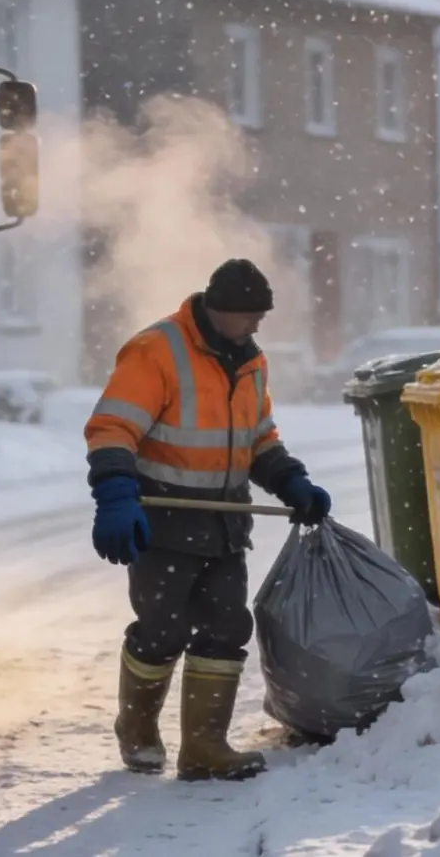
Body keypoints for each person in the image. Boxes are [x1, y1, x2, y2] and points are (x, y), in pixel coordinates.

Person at [84, 258, 331, 782]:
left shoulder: (250, 360)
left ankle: (204, 747)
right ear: (220, 311)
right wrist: (115, 496)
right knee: (162, 630)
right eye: (250, 317)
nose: (257, 326)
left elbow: (258, 436)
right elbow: (112, 428)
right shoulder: (156, 350)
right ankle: (137, 728)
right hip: (164, 519)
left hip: (224, 522)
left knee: (226, 627)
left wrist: (291, 480)